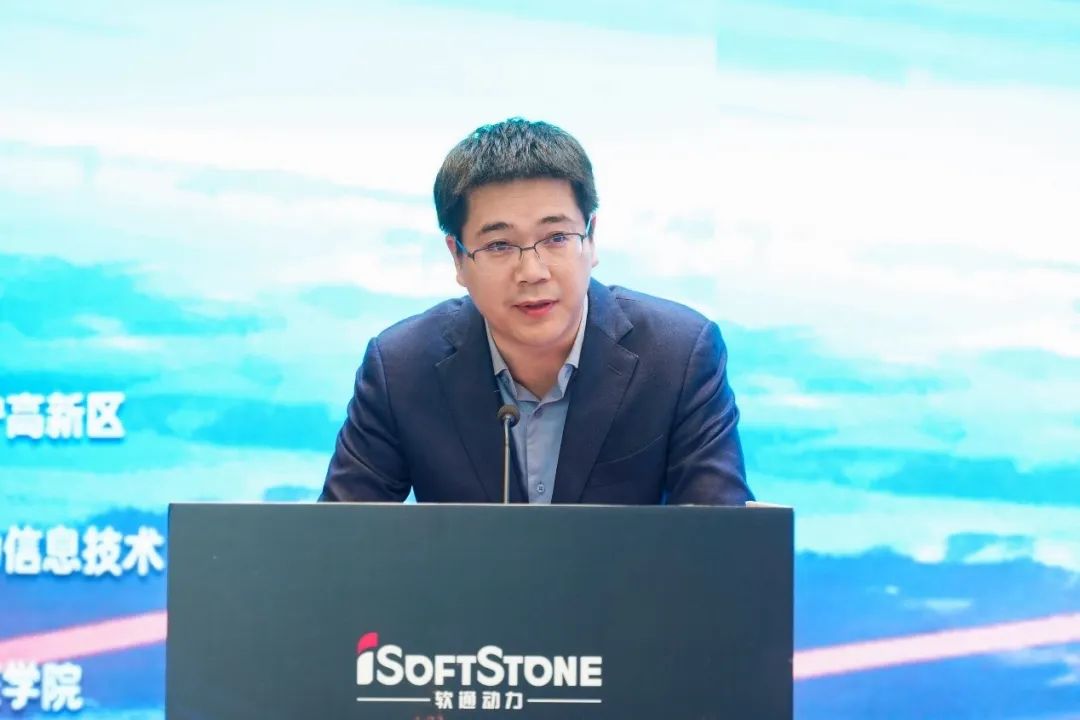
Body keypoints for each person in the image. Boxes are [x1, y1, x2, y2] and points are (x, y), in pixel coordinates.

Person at [319, 118, 752, 505]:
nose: (532, 271)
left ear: (591, 239)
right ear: (458, 257)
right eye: (499, 245)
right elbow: (336, 544)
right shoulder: (400, 368)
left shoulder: (677, 356)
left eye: (557, 238)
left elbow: (724, 542)